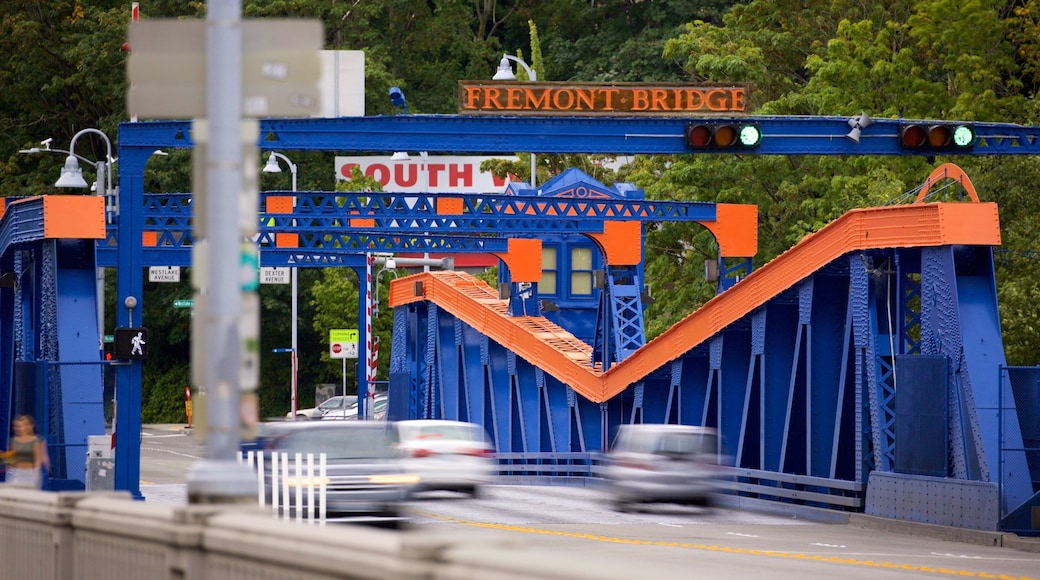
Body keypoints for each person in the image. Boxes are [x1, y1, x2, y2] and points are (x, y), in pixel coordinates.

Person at [2, 415, 50, 489]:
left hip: (30, 473)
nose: (17, 429)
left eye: (20, 426)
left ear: (29, 427)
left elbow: (40, 458)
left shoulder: (37, 440)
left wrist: (38, 472)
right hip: (15, 472)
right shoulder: (13, 441)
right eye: (15, 426)